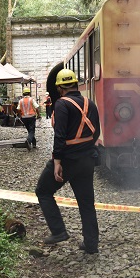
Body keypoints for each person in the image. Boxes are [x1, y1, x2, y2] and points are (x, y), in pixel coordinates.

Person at [35, 69, 101, 254]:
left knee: (43, 191)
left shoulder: (62, 104)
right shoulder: (90, 103)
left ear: (59, 88)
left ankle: (58, 231)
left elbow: (60, 135)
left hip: (68, 161)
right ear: (75, 84)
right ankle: (91, 243)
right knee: (86, 203)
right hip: (87, 159)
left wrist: (57, 162)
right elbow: (96, 132)